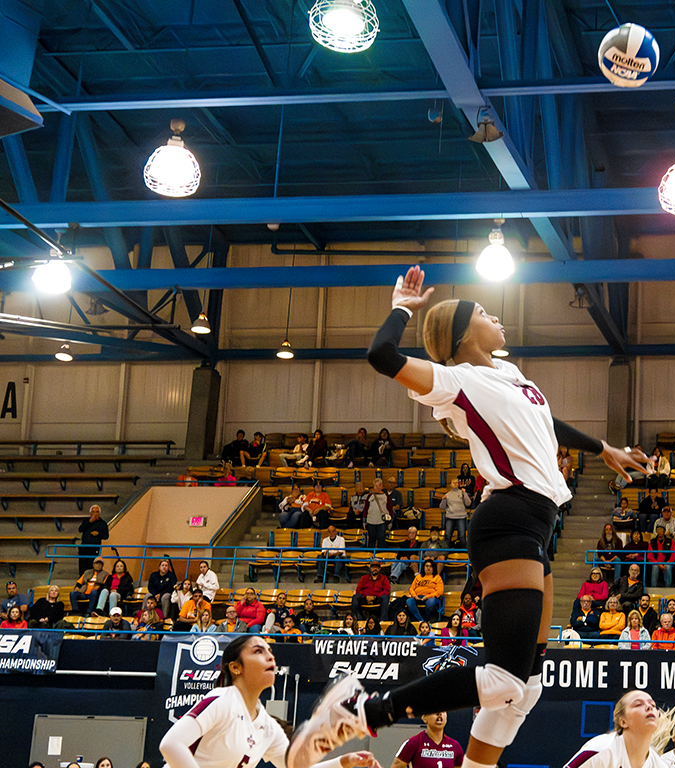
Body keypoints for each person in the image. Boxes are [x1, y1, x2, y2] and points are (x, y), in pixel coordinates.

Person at [287, 269, 647, 768]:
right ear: (460, 335)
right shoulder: (458, 380)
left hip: (536, 521)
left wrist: (603, 447)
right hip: (510, 518)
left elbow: (547, 422)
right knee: (502, 679)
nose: (494, 315)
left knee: (528, 684)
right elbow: (382, 356)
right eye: (481, 312)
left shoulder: (512, 375)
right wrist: (402, 308)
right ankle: (361, 715)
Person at [159, 635, 379, 768]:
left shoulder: (266, 725)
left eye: (270, 651)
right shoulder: (222, 700)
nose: (270, 656)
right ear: (236, 667)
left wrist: (345, 761)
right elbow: (170, 745)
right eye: (258, 651)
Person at [562, 690, 675, 768]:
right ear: (623, 721)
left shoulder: (658, 765)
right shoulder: (600, 751)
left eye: (652, 705)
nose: (649, 707)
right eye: (638, 704)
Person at [393, 712, 464, 768]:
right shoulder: (413, 743)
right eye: (434, 711)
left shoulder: (455, 746)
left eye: (443, 711)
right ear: (424, 718)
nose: (439, 714)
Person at [440, 477, 472, 548]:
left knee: (462, 536)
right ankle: (445, 552)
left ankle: (464, 553)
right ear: (450, 484)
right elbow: (442, 507)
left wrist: (465, 494)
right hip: (450, 517)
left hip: (461, 517)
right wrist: (443, 500)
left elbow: (468, 504)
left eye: (456, 482)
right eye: (453, 482)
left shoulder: (462, 493)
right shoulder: (447, 495)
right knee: (448, 535)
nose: (455, 484)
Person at [77, 504, 109, 576]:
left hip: (94, 548)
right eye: (93, 512)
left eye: (97, 512)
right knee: (82, 567)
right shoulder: (86, 522)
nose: (95, 514)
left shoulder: (102, 523)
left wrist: (98, 534)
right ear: (90, 513)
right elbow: (80, 529)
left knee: (92, 566)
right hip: (84, 548)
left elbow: (106, 536)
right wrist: (90, 521)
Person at [362, 478, 393, 549]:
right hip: (371, 522)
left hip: (381, 522)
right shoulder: (370, 496)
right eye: (375, 485)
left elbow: (390, 509)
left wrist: (390, 521)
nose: (377, 487)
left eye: (378, 485)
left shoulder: (386, 497)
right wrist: (364, 520)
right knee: (371, 541)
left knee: (381, 540)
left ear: (382, 486)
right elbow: (365, 509)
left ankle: (380, 556)